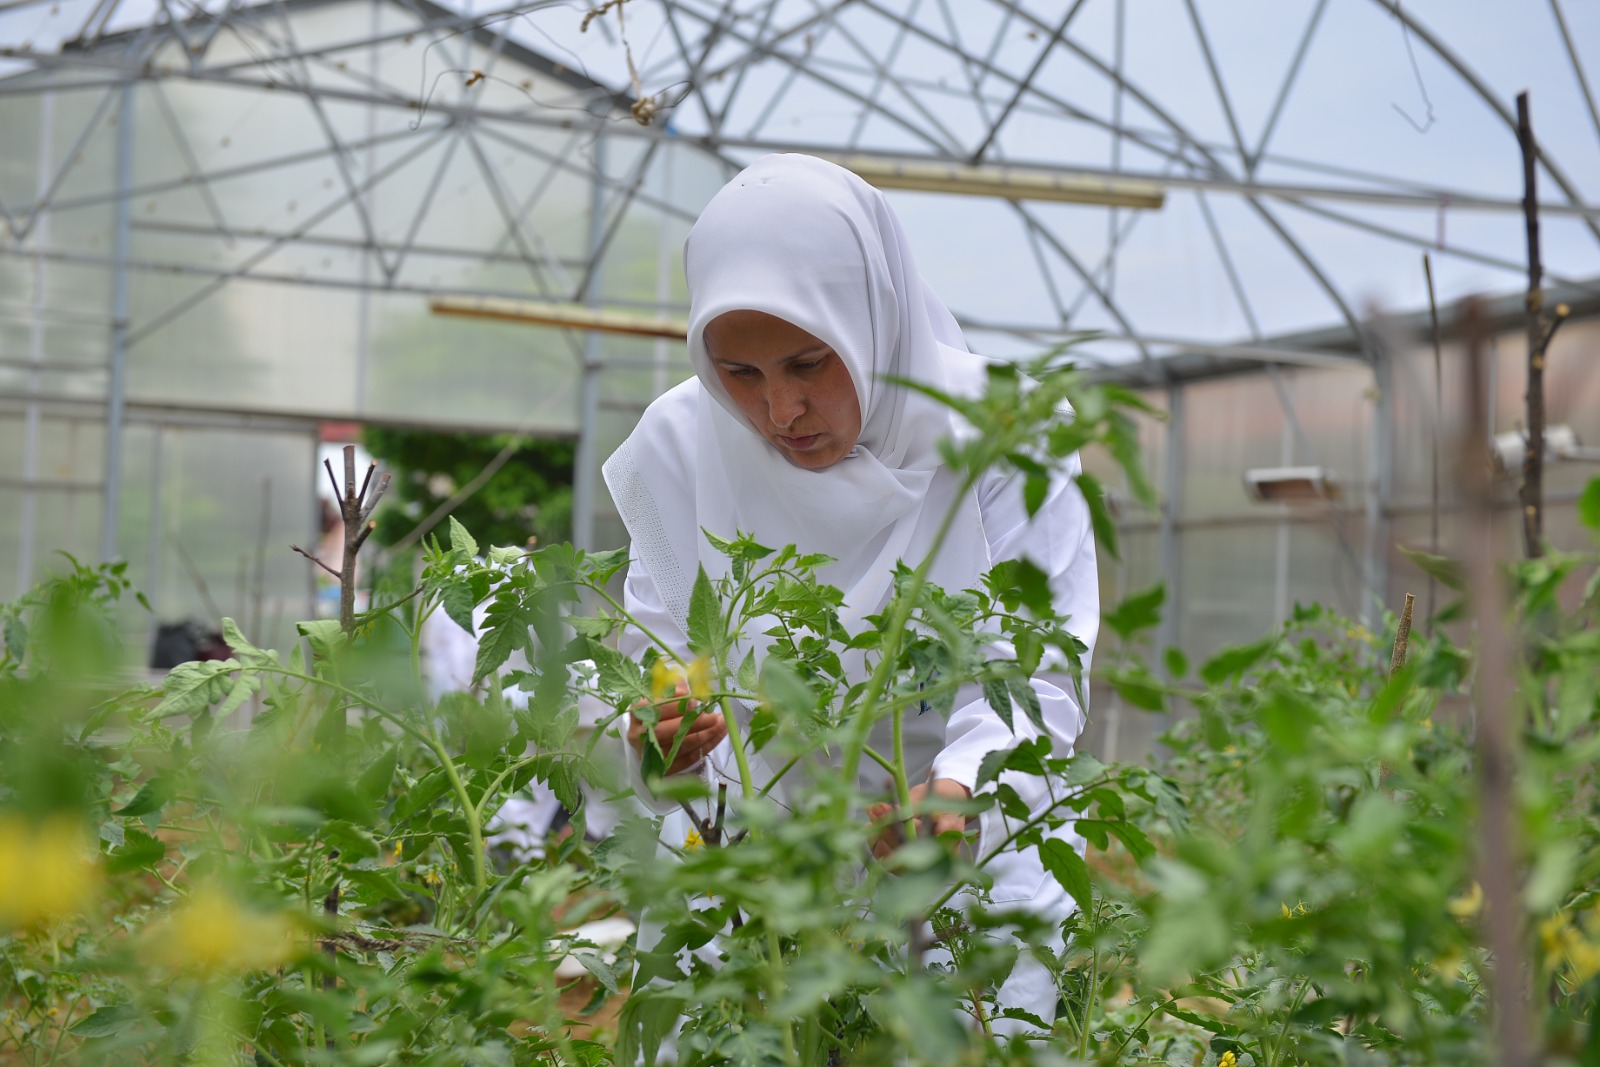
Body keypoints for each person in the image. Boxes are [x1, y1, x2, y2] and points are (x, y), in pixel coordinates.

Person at [601, 153, 1098, 1025]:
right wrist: (661, 740)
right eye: (740, 375)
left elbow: (1036, 669)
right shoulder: (683, 444)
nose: (780, 411)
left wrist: (959, 789)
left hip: (960, 848)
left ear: (872, 317)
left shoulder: (1000, 431)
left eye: (807, 362)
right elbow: (665, 659)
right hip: (759, 858)